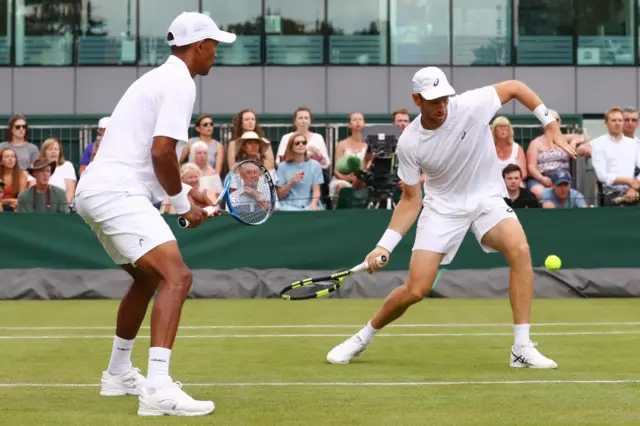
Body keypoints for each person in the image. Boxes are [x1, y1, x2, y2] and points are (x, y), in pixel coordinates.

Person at [326, 67, 577, 369]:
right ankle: (362, 337)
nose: (442, 106)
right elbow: (410, 199)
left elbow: (515, 86)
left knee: (519, 250)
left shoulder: (470, 105)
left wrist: (549, 123)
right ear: (416, 99)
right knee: (416, 289)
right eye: (434, 101)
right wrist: (385, 246)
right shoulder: (410, 143)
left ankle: (521, 347)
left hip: (486, 199)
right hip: (442, 208)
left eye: (445, 98)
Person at [74, 12, 236, 417]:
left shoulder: (157, 78)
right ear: (199, 46)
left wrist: (186, 191)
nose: (216, 52)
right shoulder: (180, 81)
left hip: (98, 190)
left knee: (147, 278)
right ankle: (158, 388)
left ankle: (118, 374)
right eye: (214, 45)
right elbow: (162, 151)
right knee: (177, 277)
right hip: (117, 192)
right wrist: (182, 207)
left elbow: (153, 157)